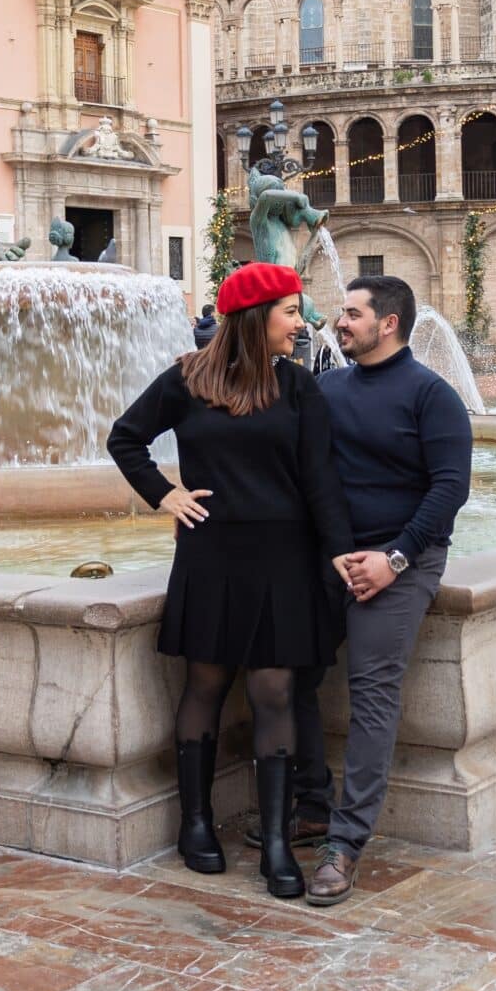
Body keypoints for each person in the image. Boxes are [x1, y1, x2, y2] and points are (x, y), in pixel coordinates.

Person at [107, 262, 354, 899]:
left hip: (284, 557)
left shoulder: (298, 385)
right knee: (206, 684)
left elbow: (321, 480)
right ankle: (194, 824)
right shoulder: (186, 379)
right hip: (211, 555)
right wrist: (164, 495)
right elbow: (125, 439)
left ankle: (276, 844)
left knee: (274, 690)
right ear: (254, 317)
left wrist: (339, 554)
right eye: (290, 312)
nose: (300, 324)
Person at [301, 274, 472, 906]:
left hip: (404, 560)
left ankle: (345, 844)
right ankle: (311, 805)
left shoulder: (433, 396)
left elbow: (450, 488)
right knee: (286, 668)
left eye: (351, 313)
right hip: (333, 557)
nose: (339, 322)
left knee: (372, 694)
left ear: (389, 323)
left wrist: (394, 559)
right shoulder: (327, 388)